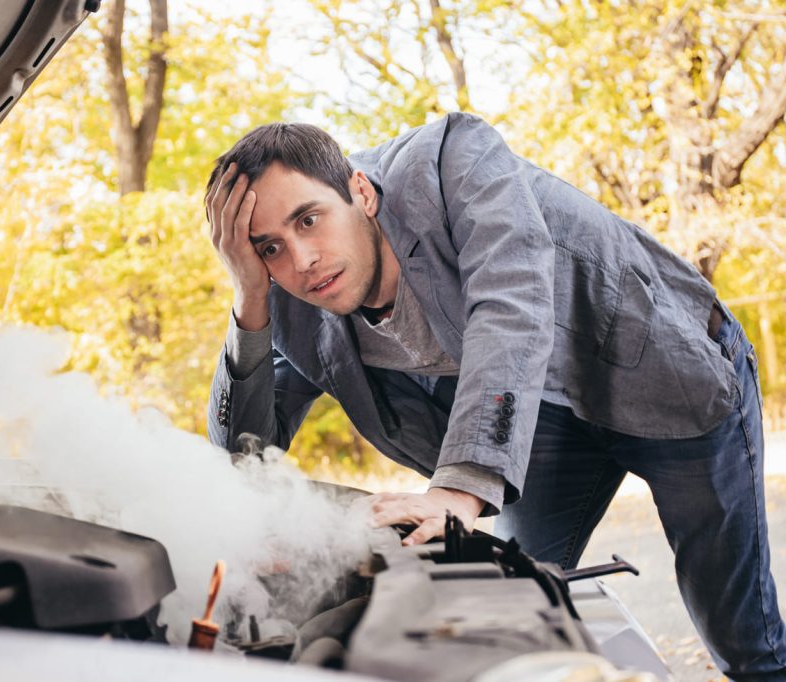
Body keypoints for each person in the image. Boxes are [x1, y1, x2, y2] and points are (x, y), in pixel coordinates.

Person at [203, 113, 785, 678]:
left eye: (309, 220)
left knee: (744, 646)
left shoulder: (452, 161)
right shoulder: (287, 299)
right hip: (542, 427)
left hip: (665, 379)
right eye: (269, 248)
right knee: (510, 604)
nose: (301, 260)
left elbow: (511, 302)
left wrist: (458, 489)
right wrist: (250, 298)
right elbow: (244, 453)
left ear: (360, 191)